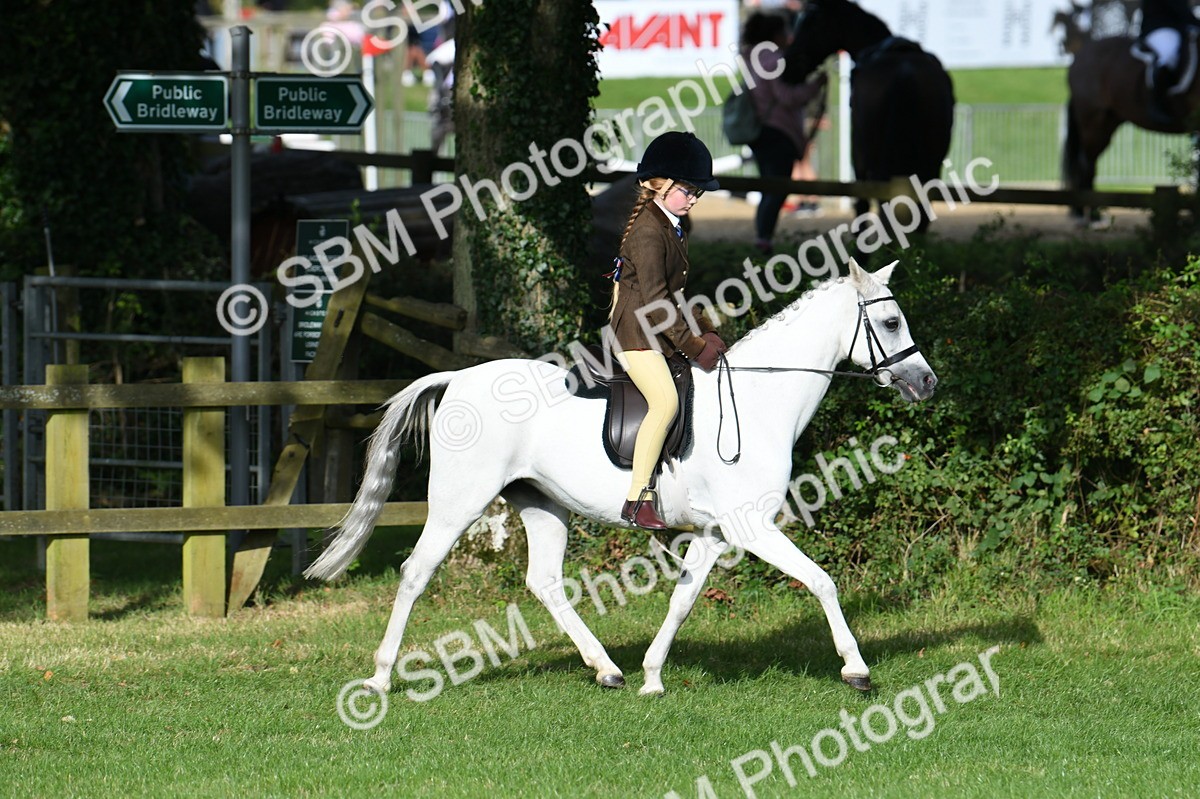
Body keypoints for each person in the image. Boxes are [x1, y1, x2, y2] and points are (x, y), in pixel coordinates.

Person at [607, 132, 727, 530]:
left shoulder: (672, 226)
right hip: (635, 335)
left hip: (655, 329)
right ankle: (637, 498)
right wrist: (694, 346)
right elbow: (658, 303)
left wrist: (706, 329)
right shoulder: (648, 231)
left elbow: (677, 295)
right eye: (688, 191)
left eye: (697, 193)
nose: (694, 199)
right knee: (664, 402)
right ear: (661, 186)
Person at [742, 11, 826, 253]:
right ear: (776, 35)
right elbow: (787, 97)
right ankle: (764, 240)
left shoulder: (754, 58)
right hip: (779, 132)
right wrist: (815, 86)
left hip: (762, 131)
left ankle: (762, 238)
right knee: (777, 189)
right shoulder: (774, 60)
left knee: (770, 188)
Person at [1140, 0, 1198, 124]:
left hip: (1181, 28)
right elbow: (1178, 8)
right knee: (1169, 54)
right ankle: (1156, 104)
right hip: (1159, 27)